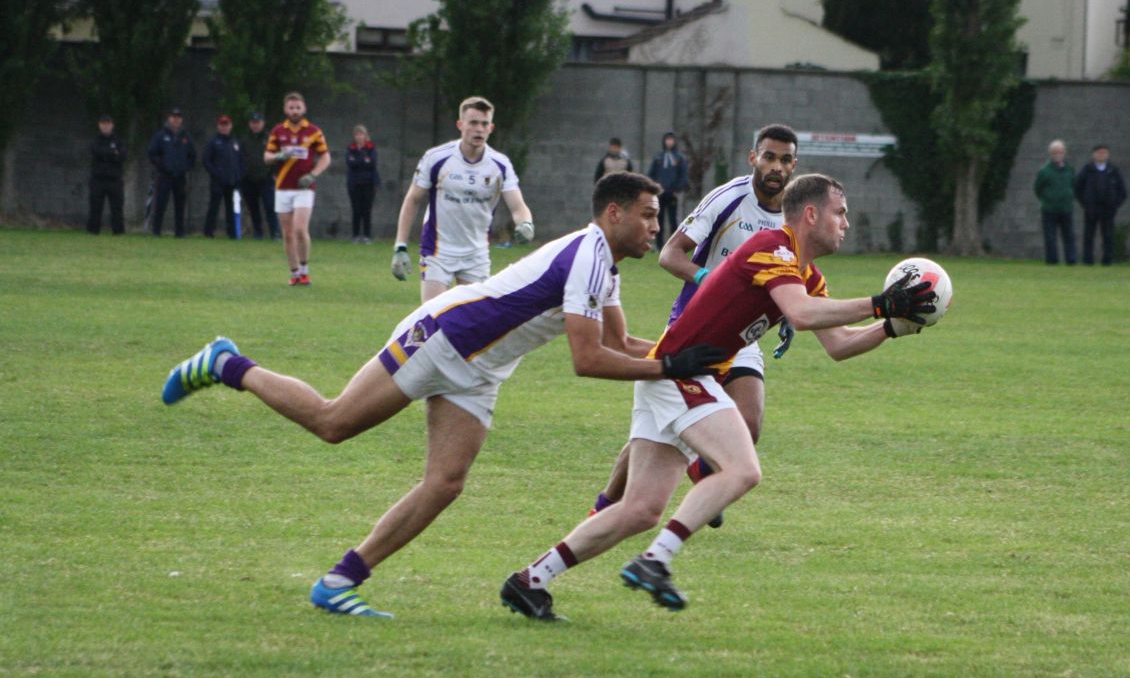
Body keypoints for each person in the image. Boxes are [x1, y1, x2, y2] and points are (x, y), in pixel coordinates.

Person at [159, 172, 724, 619]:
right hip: (443, 337)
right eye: (649, 216)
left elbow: (621, 341)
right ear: (614, 213)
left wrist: (694, 355)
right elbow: (588, 360)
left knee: (446, 483)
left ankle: (340, 581)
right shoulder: (585, 255)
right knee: (333, 423)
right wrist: (671, 364)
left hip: (480, 370)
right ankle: (228, 364)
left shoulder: (607, 266)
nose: (658, 227)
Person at [500, 174, 935, 621]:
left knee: (642, 509)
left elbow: (839, 344)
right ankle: (656, 560)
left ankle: (529, 581)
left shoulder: (805, 272)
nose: (845, 223)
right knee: (743, 469)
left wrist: (890, 326)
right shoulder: (773, 246)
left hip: (674, 376)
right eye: (839, 212)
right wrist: (882, 304)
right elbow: (802, 315)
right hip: (681, 374)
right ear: (811, 214)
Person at [590, 124, 801, 528]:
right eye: (769, 156)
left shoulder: (793, 212)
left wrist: (790, 309)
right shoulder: (728, 198)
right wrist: (714, 281)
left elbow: (791, 268)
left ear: (795, 165)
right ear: (752, 157)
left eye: (785, 159)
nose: (776, 166)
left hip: (745, 334)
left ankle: (704, 475)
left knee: (749, 424)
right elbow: (669, 255)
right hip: (697, 325)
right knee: (656, 432)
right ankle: (603, 505)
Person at [390, 96, 535, 303]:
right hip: (438, 251)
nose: (479, 129)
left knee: (473, 326)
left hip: (476, 254)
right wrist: (400, 246)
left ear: (491, 128)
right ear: (460, 125)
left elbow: (518, 206)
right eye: (473, 123)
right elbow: (413, 199)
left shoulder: (500, 165)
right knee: (434, 320)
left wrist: (526, 223)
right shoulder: (436, 158)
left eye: (484, 124)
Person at [265, 92, 331, 286]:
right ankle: (294, 273)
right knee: (287, 233)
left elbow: (326, 158)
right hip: (282, 187)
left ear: (304, 109)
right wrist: (278, 156)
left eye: (298, 107)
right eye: (291, 108)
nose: (295, 111)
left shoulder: (313, 132)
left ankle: (304, 270)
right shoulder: (278, 131)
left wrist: (313, 175)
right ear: (286, 110)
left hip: (304, 187)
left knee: (300, 229)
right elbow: (266, 157)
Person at [146, 108, 196, 237]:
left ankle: (179, 232)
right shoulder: (161, 135)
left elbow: (193, 155)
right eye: (173, 117)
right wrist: (161, 165)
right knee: (161, 204)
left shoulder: (186, 136)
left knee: (180, 205)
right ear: (169, 118)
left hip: (180, 176)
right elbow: (152, 153)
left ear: (181, 119)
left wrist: (186, 167)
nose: (176, 119)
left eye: (178, 117)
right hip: (164, 176)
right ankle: (156, 231)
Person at [1074, 144, 1127, 266]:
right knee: (1089, 235)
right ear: (1094, 154)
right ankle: (1088, 260)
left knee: (1108, 235)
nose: (1101, 155)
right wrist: (1085, 203)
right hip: (1091, 209)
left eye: (1104, 153)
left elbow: (1122, 191)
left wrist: (1115, 204)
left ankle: (1107, 260)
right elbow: (1078, 188)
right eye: (1099, 153)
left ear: (1108, 155)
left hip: (1108, 209)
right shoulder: (1087, 170)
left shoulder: (1113, 170)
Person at [1033, 140, 1076, 265]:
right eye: (1055, 152)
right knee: (1050, 237)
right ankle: (1052, 260)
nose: (1058, 154)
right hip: (1049, 209)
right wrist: (1047, 199)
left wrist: (1069, 197)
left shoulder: (1069, 169)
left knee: (1069, 235)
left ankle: (1071, 259)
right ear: (1050, 154)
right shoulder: (1045, 171)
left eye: (1060, 152)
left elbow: (1073, 185)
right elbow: (1037, 188)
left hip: (1066, 208)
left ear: (1064, 153)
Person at [202, 115, 245, 239]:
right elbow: (206, 160)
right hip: (218, 181)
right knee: (214, 206)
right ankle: (209, 232)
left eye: (227, 125)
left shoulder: (235, 142)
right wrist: (216, 173)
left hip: (232, 180)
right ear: (218, 126)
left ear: (230, 126)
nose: (225, 127)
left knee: (231, 207)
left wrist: (239, 175)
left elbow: (241, 160)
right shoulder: (213, 142)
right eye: (222, 125)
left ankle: (231, 232)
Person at [239, 112, 279, 240]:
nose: (255, 125)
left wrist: (274, 173)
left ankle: (275, 233)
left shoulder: (270, 138)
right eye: (253, 123)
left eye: (258, 122)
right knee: (253, 207)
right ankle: (258, 232)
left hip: (266, 178)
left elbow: (276, 157)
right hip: (248, 179)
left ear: (263, 123)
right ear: (250, 124)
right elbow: (240, 158)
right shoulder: (244, 140)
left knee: (270, 205)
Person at [647, 132, 689, 248]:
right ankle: (659, 246)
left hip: (673, 193)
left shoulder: (679, 158)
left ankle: (673, 245)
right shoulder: (658, 157)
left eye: (671, 140)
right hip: (660, 194)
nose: (669, 142)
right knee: (659, 219)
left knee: (673, 220)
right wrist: (654, 188)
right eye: (667, 140)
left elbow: (683, 175)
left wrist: (677, 189)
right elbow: (651, 174)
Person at [88, 114, 126, 236]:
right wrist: (112, 153)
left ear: (112, 125)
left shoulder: (118, 141)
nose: (105, 126)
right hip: (98, 179)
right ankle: (93, 231)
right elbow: (96, 152)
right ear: (99, 125)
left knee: (117, 207)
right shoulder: (95, 140)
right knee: (95, 206)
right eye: (103, 124)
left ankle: (118, 231)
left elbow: (122, 156)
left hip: (114, 179)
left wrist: (109, 154)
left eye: (108, 124)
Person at [346, 125, 380, 244]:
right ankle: (355, 236)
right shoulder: (351, 148)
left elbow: (372, 163)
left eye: (361, 134)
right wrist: (363, 160)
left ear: (366, 136)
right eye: (357, 134)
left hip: (368, 183)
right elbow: (350, 163)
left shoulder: (371, 148)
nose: (359, 137)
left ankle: (367, 236)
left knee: (367, 209)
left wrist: (359, 161)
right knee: (356, 209)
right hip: (354, 183)